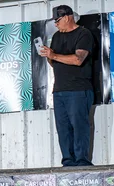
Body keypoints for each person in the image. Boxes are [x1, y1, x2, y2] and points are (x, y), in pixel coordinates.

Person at [39, 5, 95, 167]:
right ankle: (68, 162)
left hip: (79, 89)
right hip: (59, 90)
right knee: (63, 129)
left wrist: (54, 55)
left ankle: (82, 161)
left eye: (57, 20)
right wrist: (48, 55)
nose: (56, 24)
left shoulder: (83, 34)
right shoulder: (56, 36)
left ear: (67, 17)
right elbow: (54, 62)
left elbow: (78, 60)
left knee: (79, 126)